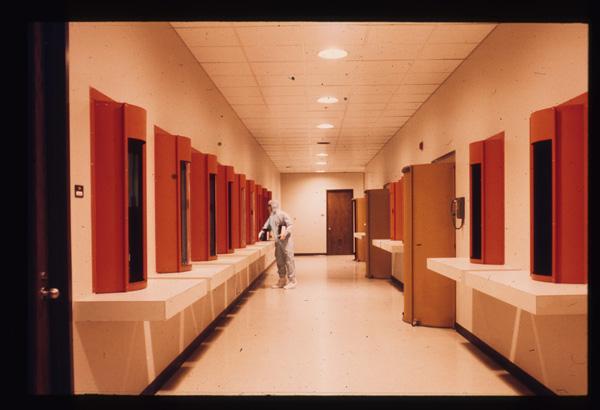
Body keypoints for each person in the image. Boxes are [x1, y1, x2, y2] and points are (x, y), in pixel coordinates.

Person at [258, 199, 297, 289]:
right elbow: (266, 226)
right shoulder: (271, 217)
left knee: (289, 260)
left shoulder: (283, 214)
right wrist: (262, 232)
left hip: (286, 242)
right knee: (280, 260)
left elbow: (290, 225)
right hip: (278, 242)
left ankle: (292, 280)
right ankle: (282, 280)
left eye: (269, 206)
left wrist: (285, 233)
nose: (268, 208)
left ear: (272, 206)